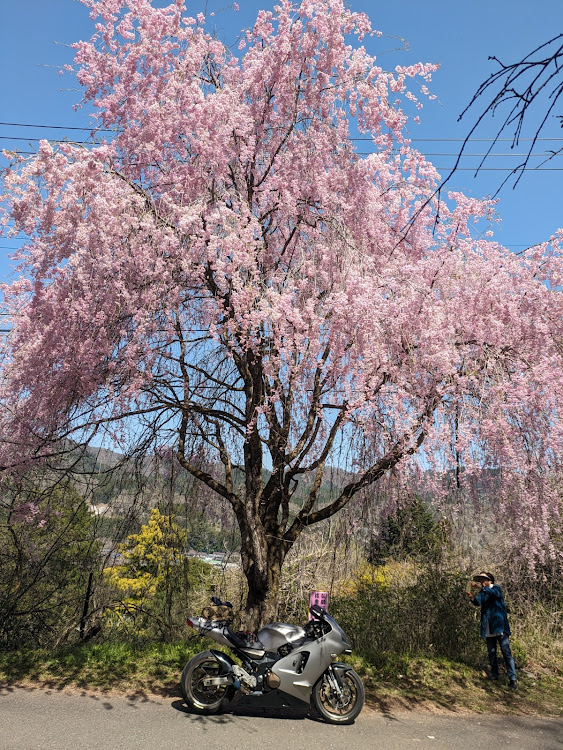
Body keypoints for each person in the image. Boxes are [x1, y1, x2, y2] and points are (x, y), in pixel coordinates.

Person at [468, 571, 518, 690]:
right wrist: (471, 597)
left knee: (506, 653)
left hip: (500, 626)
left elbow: (494, 594)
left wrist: (481, 587)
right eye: (480, 579)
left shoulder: (496, 588)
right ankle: (494, 675)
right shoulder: (483, 591)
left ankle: (513, 679)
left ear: (490, 580)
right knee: (491, 652)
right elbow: (478, 603)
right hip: (488, 626)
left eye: (483, 579)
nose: (481, 581)